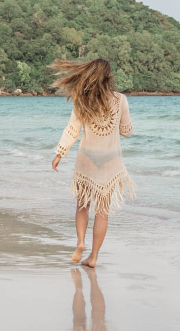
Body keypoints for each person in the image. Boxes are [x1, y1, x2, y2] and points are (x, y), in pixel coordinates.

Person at [50, 58, 134, 268]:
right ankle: (94, 257)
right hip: (111, 163)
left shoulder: (83, 100)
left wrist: (60, 153)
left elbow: (72, 130)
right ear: (109, 77)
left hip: (86, 161)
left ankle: (80, 242)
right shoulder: (121, 100)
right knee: (102, 212)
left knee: (82, 205)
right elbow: (126, 132)